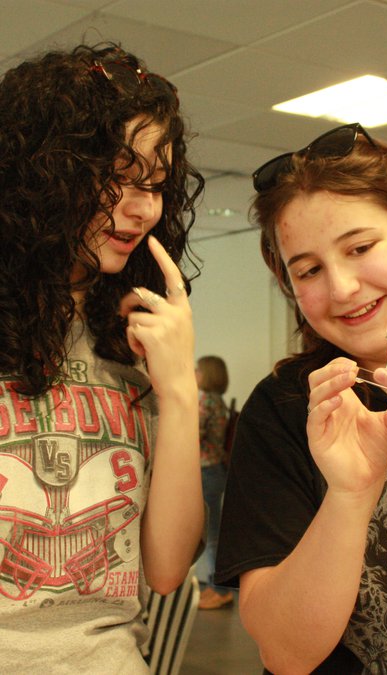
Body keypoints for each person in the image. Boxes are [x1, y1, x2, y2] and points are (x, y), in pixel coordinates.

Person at [215, 123, 387, 674]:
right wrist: (350, 497)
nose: (343, 288)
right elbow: (285, 652)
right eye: (308, 270)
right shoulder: (289, 408)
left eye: (360, 247)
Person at [0, 42, 205, 673]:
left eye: (155, 184)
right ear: (44, 173)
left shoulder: (133, 337)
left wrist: (178, 391)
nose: (141, 207)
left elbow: (166, 569)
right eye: (118, 175)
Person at [195, 355, 233, 609]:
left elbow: (192, 434)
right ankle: (216, 587)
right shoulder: (217, 401)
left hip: (206, 471)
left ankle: (219, 590)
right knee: (212, 532)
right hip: (215, 470)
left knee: (210, 534)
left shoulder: (206, 402)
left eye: (198, 370)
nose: (195, 374)